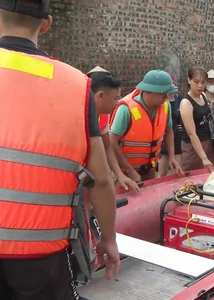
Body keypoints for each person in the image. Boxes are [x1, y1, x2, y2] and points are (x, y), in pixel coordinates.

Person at [0, 1, 119, 299]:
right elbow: (101, 179)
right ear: (46, 24)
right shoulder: (77, 87)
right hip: (44, 257)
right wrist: (108, 239)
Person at [110, 70, 182, 182]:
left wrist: (172, 157)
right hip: (124, 174)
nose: (165, 98)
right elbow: (112, 141)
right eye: (163, 94)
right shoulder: (126, 109)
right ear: (148, 92)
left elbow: (169, 131)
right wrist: (129, 170)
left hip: (149, 169)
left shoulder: (165, 106)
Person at [87, 67, 140, 191]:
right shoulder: (77, 116)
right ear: (100, 96)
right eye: (115, 98)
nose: (117, 103)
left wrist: (119, 175)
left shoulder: (104, 116)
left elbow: (107, 146)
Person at [180, 67, 214, 171]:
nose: (200, 86)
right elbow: (191, 133)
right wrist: (204, 158)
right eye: (196, 82)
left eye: (203, 82)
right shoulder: (186, 102)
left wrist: (213, 107)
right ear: (189, 80)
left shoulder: (204, 96)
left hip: (208, 141)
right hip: (193, 147)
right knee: (192, 176)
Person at [158, 72, 182, 177]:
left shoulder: (180, 99)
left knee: (179, 169)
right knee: (162, 171)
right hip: (164, 136)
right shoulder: (161, 102)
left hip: (177, 136)